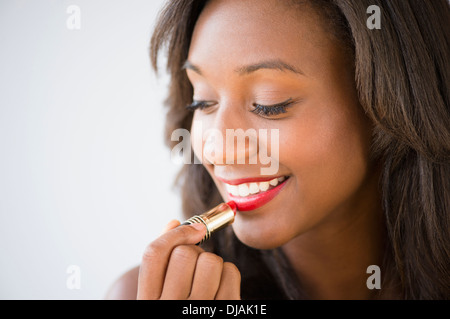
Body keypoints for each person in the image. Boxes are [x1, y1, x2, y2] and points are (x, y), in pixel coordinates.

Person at [106, 0, 450, 300]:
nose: (218, 149)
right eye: (203, 101)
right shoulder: (138, 295)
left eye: (270, 104)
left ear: (391, 104)